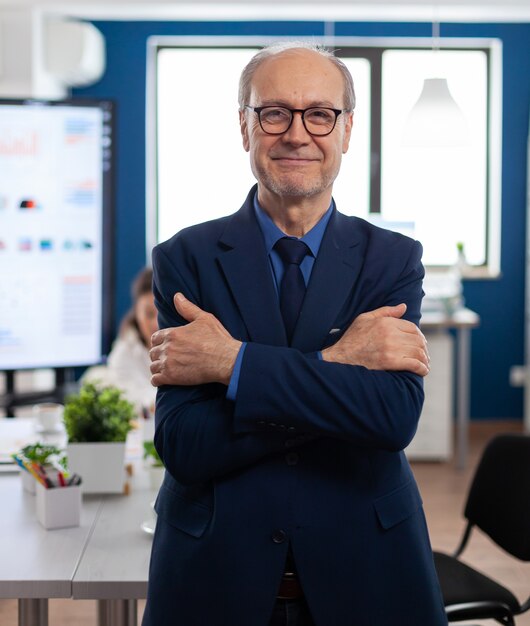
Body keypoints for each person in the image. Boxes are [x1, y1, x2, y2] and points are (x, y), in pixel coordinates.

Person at [143, 42, 447, 626]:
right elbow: (186, 443)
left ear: (347, 129)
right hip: (214, 570)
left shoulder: (391, 260)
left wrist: (232, 366)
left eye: (321, 114)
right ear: (245, 126)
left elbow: (388, 421)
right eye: (274, 112)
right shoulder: (186, 259)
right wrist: (336, 364)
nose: (297, 134)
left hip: (368, 566)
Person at [82, 267, 157, 415]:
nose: (156, 323)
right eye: (149, 314)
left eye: (163, 313)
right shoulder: (123, 354)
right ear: (136, 312)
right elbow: (133, 401)